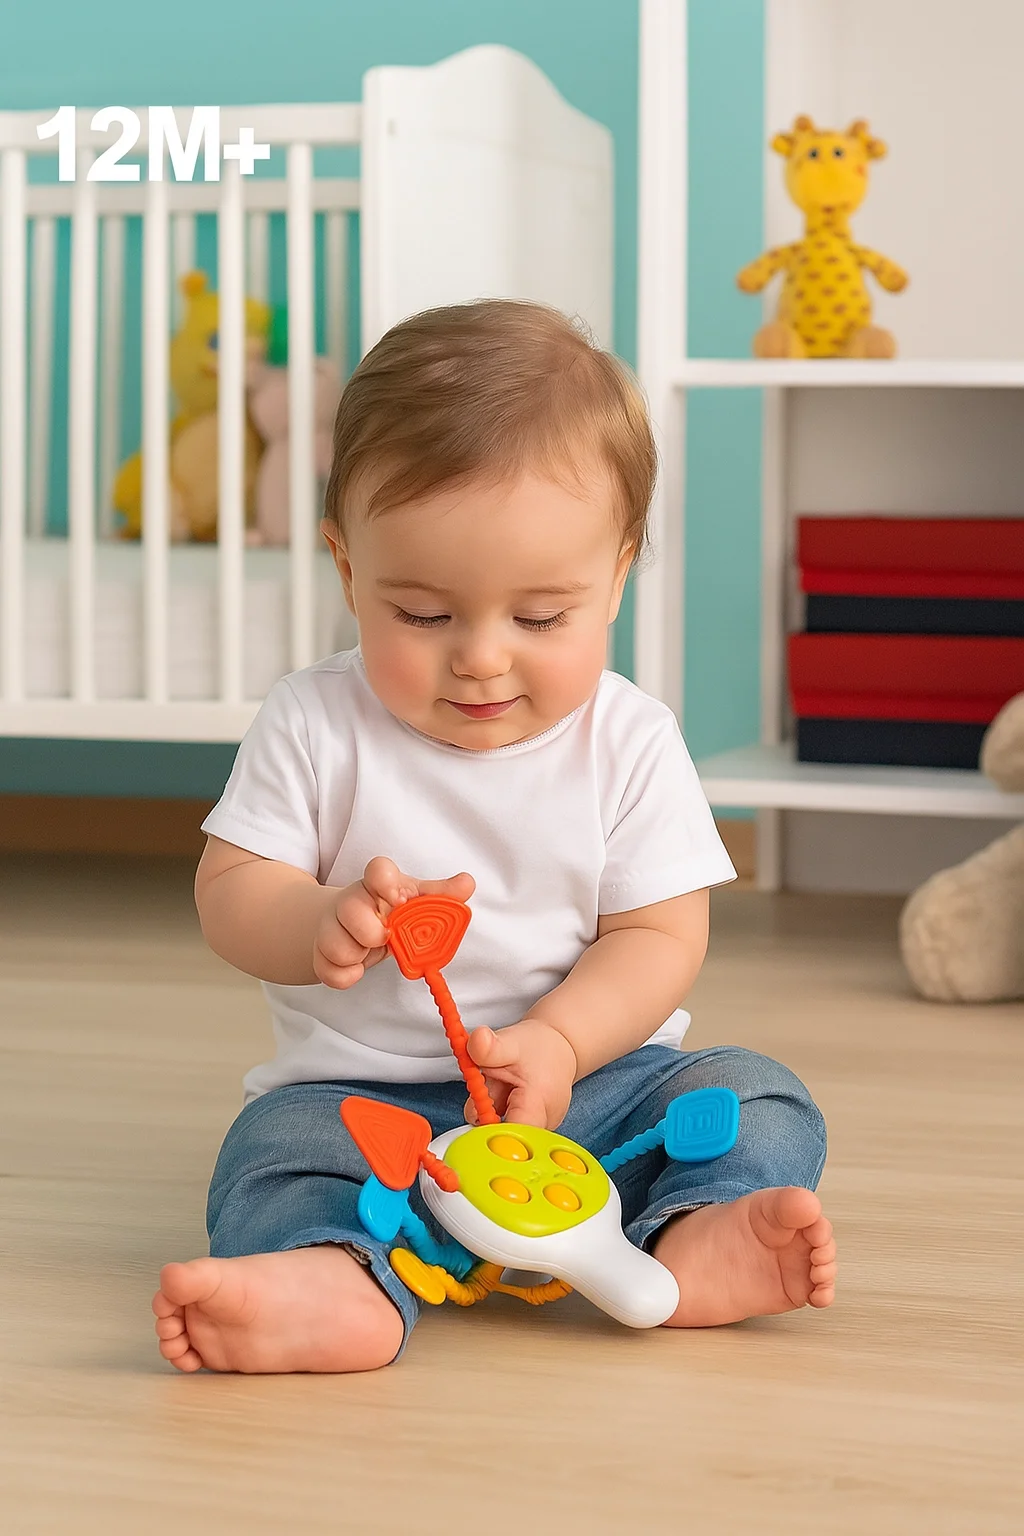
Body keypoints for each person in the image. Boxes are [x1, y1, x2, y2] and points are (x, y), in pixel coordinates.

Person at [152, 300, 836, 1374]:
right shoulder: (313, 721)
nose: (480, 656)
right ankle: (331, 1278)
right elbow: (231, 890)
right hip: (368, 1108)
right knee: (277, 1153)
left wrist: (560, 1042)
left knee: (753, 1097)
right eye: (424, 615)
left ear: (616, 576)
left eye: (540, 617)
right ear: (347, 569)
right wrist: (315, 919)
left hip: (584, 1096)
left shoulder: (630, 740)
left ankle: (695, 1234)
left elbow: (660, 936)